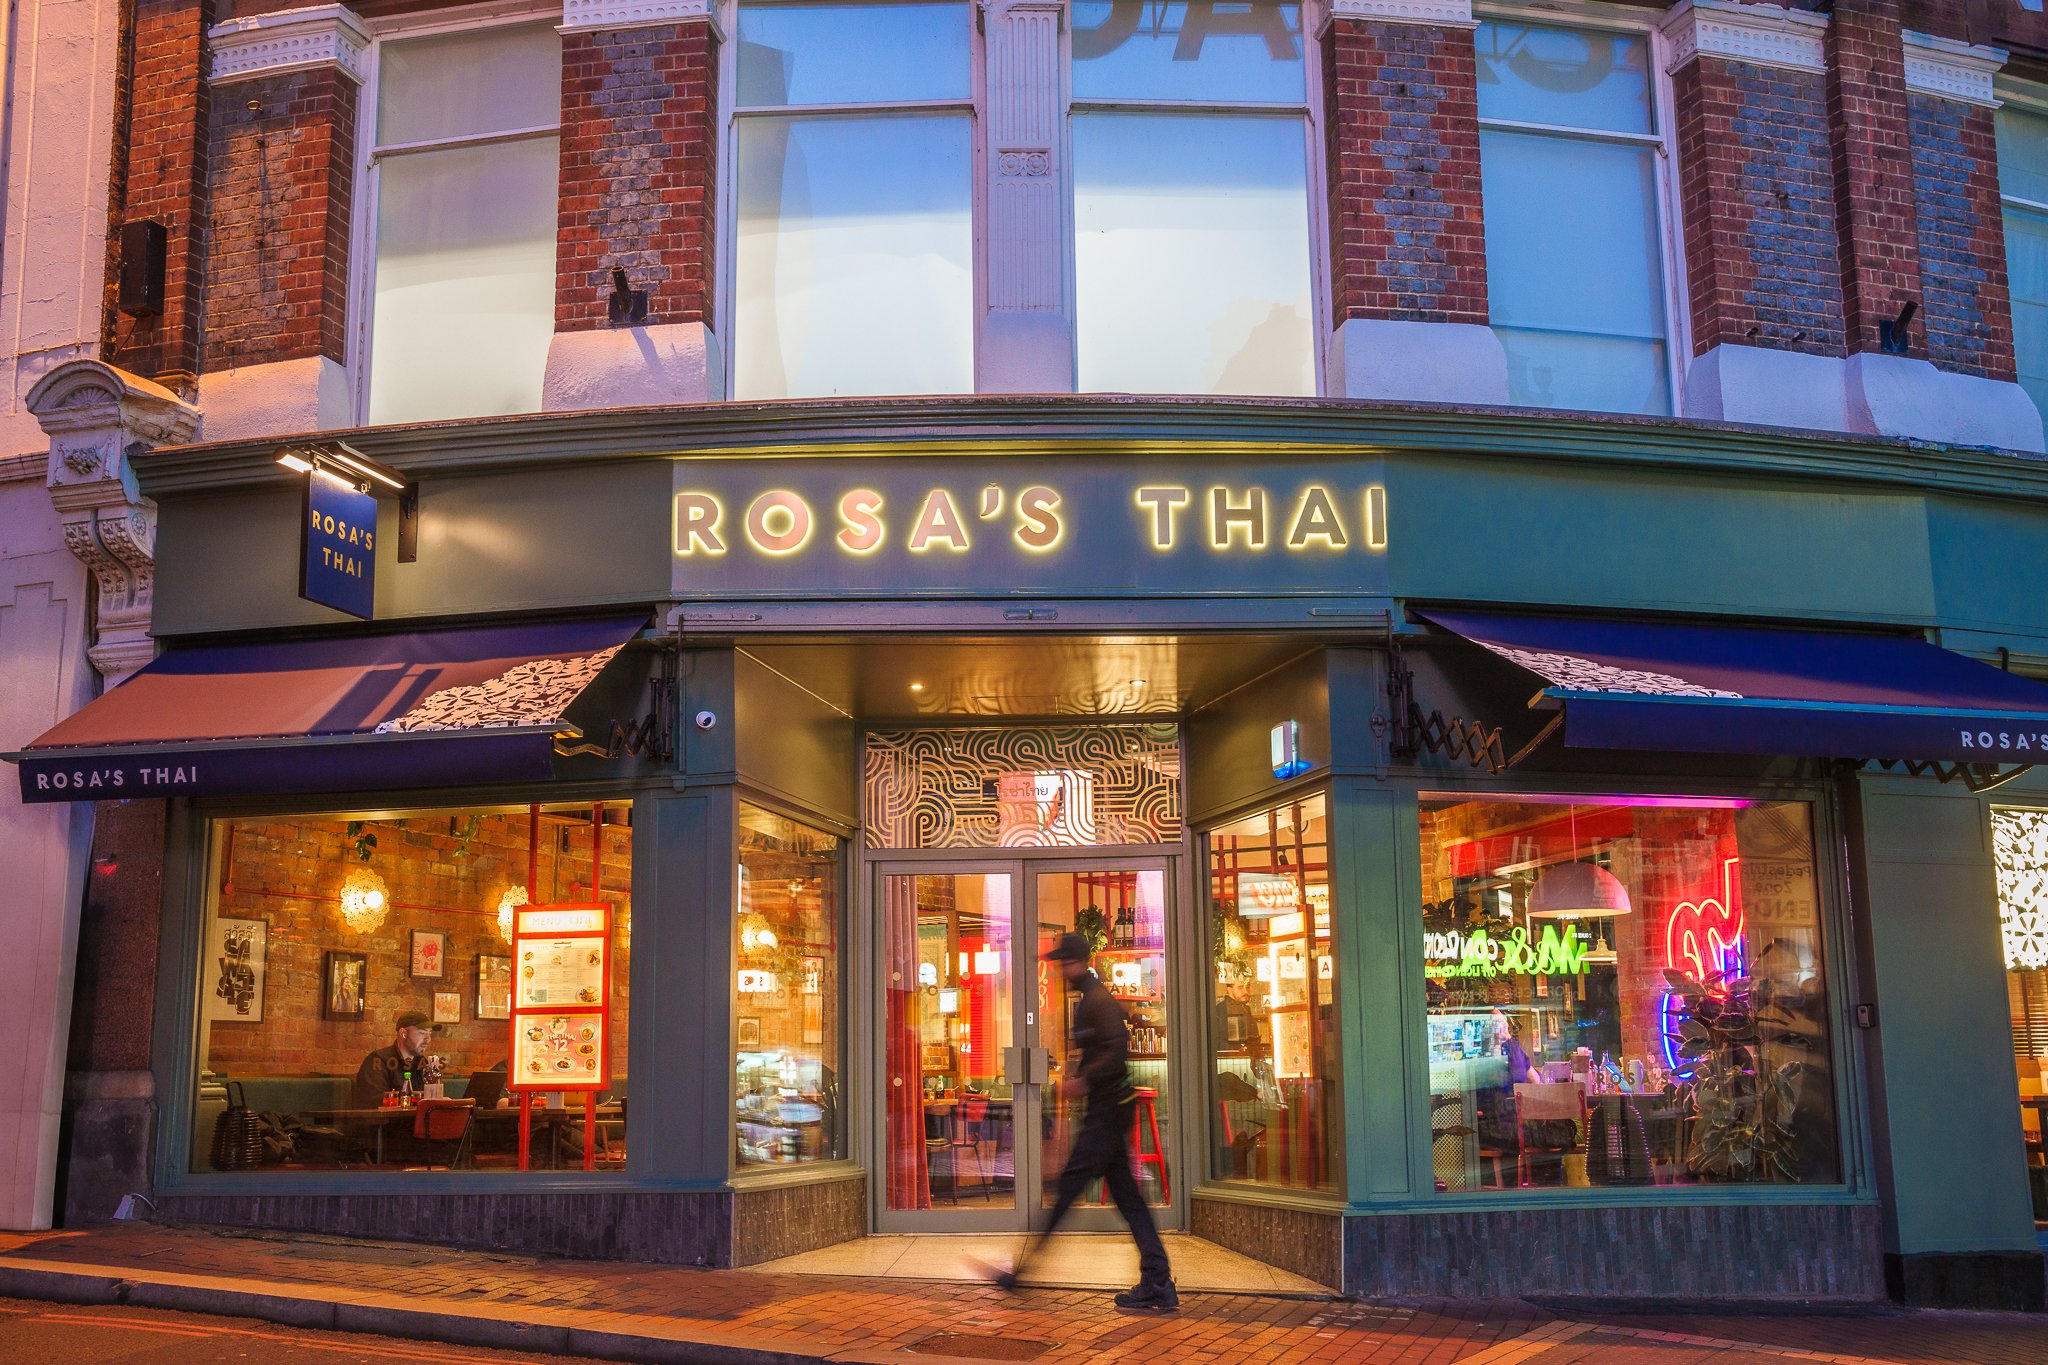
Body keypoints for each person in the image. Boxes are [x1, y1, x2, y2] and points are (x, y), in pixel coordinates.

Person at [996, 932, 1176, 1310]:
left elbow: (1115, 1052)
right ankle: (1158, 1280)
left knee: (1068, 1190)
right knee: (1128, 1200)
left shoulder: (1098, 1002)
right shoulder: (1090, 1000)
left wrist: (1082, 1081)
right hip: (1107, 1111)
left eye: (1065, 963)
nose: (1061, 970)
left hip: (1107, 1113)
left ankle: (1023, 1272)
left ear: (1078, 962)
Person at [352, 1010, 434, 1108]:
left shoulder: (423, 1063)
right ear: (403, 1033)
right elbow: (373, 1103)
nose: (428, 1040)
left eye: (429, 1033)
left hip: (418, 1122)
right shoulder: (378, 1060)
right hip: (389, 1122)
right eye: (422, 1033)